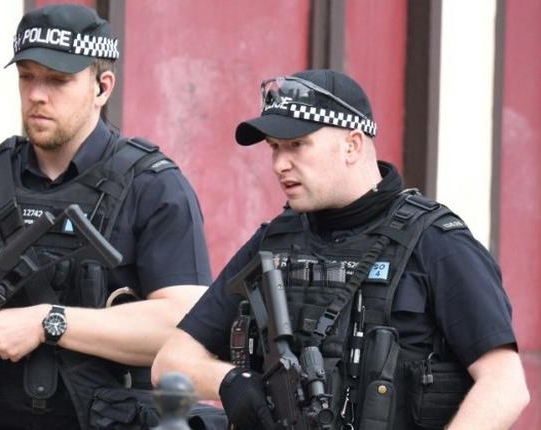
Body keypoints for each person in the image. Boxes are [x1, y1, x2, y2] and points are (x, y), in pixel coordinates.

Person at [153, 69, 529, 430]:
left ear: (352, 145)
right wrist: (231, 380)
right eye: (274, 148)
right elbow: (169, 362)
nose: (280, 164)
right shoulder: (273, 243)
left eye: (297, 145)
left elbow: (505, 385)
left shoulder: (436, 243)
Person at [0, 4, 215, 430]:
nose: (36, 95)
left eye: (58, 80)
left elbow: (185, 327)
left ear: (102, 87)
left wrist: (50, 321)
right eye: (27, 76)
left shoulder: (153, 188)